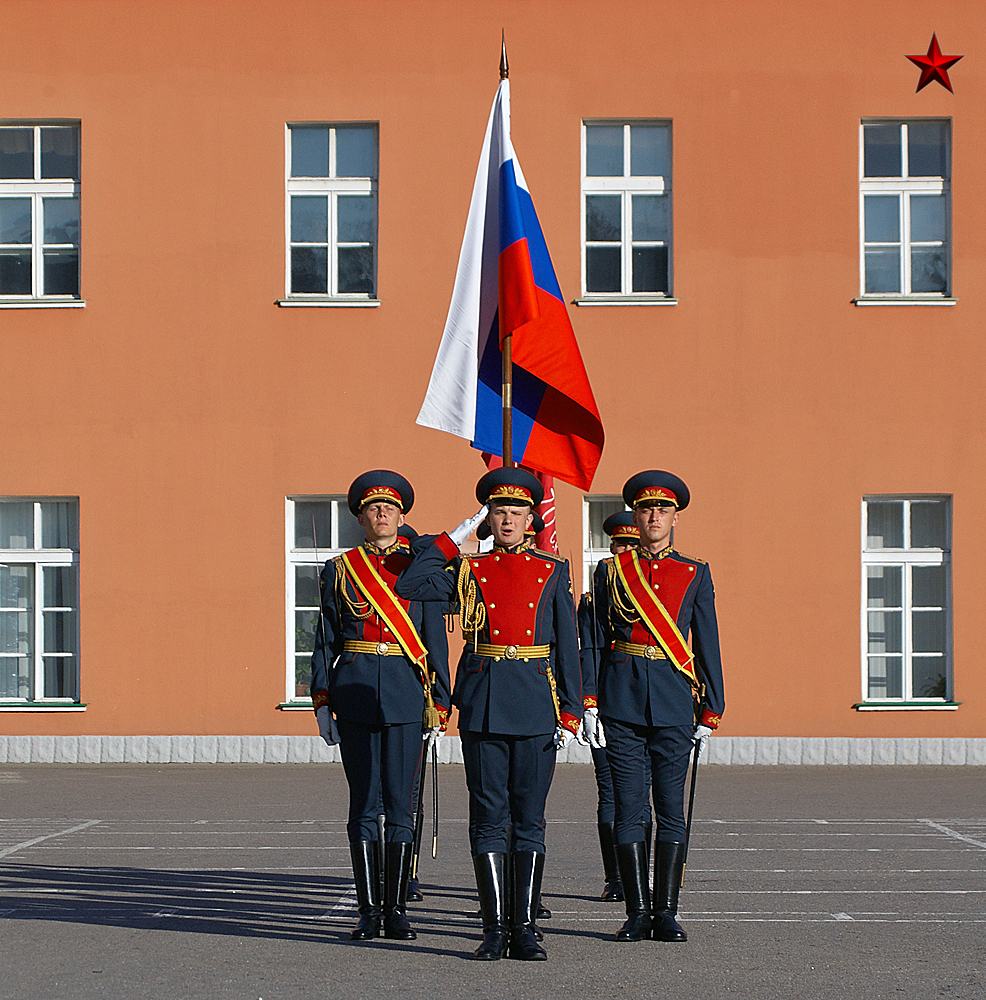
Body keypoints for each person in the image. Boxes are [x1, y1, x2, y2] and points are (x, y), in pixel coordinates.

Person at [396, 468, 582, 962]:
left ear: (530, 520)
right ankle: (494, 928)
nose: (507, 520)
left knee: (529, 818)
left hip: (535, 703)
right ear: (488, 518)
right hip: (483, 703)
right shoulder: (468, 569)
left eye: (516, 512)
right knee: (487, 817)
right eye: (497, 511)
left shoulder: (552, 569)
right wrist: (455, 537)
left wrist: (571, 709)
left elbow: (568, 644)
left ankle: (523, 927)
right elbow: (411, 582)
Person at [310, 471, 451, 942]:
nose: (381, 514)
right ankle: (369, 910)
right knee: (363, 805)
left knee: (401, 805)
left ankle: (396, 908)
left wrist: (439, 699)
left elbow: (434, 641)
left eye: (389, 508)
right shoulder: (340, 569)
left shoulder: (420, 568)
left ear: (402, 516)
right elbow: (326, 638)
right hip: (352, 693)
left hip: (407, 693)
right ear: (360, 517)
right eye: (372, 508)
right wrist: (321, 701)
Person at [594, 471, 724, 944]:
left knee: (670, 808)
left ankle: (666, 911)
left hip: (673, 701)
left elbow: (706, 641)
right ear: (637, 515)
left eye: (662, 510)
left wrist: (713, 706)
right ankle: (636, 911)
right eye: (646, 510)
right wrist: (590, 700)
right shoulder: (610, 571)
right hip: (622, 699)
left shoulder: (694, 572)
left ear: (674, 517)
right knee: (629, 808)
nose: (653, 517)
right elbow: (594, 640)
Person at [576, 511, 652, 903]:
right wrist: (589, 701)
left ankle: (640, 873)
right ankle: (616, 876)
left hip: (646, 704)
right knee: (611, 792)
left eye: (630, 544)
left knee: (645, 794)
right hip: (608, 702)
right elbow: (588, 650)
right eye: (618, 544)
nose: (623, 550)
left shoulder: (652, 592)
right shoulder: (594, 598)